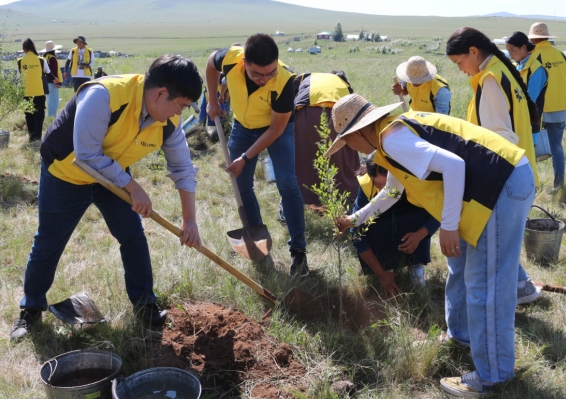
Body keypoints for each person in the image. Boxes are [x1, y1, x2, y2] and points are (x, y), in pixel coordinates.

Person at [330, 94, 535, 398]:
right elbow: (392, 190)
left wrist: (448, 226)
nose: (349, 147)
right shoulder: (390, 138)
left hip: (500, 186)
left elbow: (453, 166)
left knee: (486, 284)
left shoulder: (393, 140)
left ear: (359, 131)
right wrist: (356, 219)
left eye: (347, 140)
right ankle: (461, 336)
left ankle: (494, 375)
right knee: (460, 267)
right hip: (494, 183)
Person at [10, 55, 203, 341]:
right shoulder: (103, 96)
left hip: (110, 177)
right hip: (65, 173)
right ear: (161, 93)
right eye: (182, 105)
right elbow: (86, 154)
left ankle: (145, 305)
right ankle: (31, 309)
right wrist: (134, 187)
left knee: (132, 236)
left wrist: (189, 220)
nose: (181, 113)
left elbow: (182, 168)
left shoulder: (168, 121)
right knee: (49, 241)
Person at [446, 27, 542, 306]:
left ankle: (503, 304)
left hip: (504, 179)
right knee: (504, 246)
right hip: (523, 172)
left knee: (493, 251)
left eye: (459, 63)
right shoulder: (502, 71)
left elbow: (498, 140)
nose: (461, 70)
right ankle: (521, 287)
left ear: (474, 52)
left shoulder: (490, 80)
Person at [205, 34, 308, 277]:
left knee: (287, 183)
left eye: (270, 73)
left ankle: (299, 252)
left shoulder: (284, 81)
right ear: (244, 64)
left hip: (276, 129)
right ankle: (256, 241)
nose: (264, 79)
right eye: (257, 74)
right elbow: (210, 63)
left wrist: (246, 158)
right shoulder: (231, 58)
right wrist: (211, 100)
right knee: (241, 185)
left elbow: (276, 129)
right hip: (242, 125)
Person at [350, 152, 440, 297]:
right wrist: (381, 274)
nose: (382, 193)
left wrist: (420, 235)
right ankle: (383, 267)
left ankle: (415, 265)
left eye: (386, 186)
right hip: (384, 228)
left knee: (418, 216)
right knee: (368, 229)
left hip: (410, 223)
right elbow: (356, 233)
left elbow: (439, 210)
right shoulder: (366, 186)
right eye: (377, 186)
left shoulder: (414, 180)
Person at [293, 71, 360, 205]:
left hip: (306, 112)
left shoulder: (304, 78)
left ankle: (310, 198)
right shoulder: (343, 84)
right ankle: (346, 195)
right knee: (343, 154)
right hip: (340, 113)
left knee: (305, 155)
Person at [528, 22, 566, 188]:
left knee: (531, 148)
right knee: (556, 147)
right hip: (559, 108)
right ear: (547, 37)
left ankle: (532, 185)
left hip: (538, 111)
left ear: (533, 39)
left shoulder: (533, 56)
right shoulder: (561, 55)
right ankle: (559, 184)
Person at [17, 38, 59, 142]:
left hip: (26, 93)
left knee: (29, 115)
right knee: (39, 116)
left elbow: (19, 78)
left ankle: (31, 137)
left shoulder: (20, 61)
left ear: (24, 49)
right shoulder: (41, 60)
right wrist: (55, 80)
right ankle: (38, 137)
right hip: (39, 93)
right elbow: (49, 74)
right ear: (33, 48)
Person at [505, 31, 548, 126]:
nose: (510, 55)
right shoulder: (514, 66)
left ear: (523, 47)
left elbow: (530, 99)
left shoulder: (537, 70)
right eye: (508, 51)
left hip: (529, 123)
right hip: (514, 121)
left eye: (512, 51)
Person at [41, 40, 63, 118]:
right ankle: (52, 115)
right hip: (52, 82)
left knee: (49, 99)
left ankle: (50, 115)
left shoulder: (44, 57)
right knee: (53, 100)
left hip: (45, 81)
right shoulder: (52, 58)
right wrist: (57, 82)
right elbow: (53, 71)